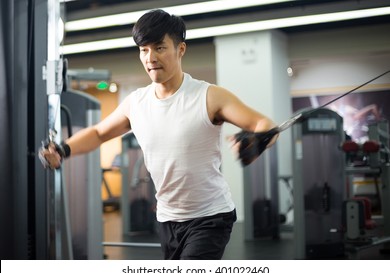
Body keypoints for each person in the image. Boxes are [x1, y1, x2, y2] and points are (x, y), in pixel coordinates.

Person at [39, 9, 278, 260]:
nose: (150, 57)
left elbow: (264, 124)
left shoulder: (209, 96)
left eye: (160, 48)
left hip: (210, 217)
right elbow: (99, 133)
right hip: (167, 218)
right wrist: (62, 150)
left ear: (180, 49)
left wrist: (258, 139)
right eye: (144, 50)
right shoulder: (137, 103)